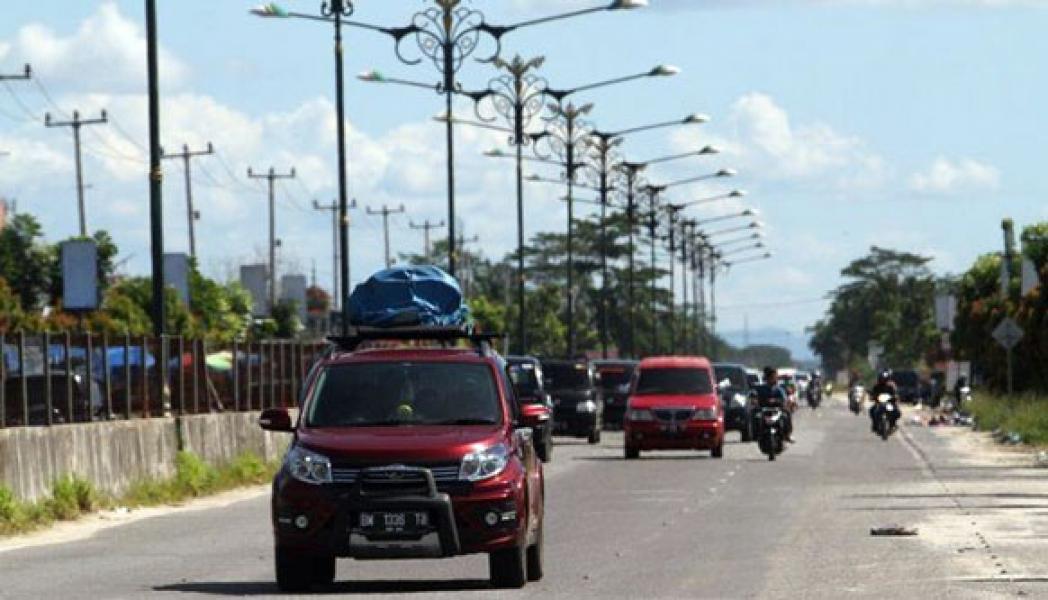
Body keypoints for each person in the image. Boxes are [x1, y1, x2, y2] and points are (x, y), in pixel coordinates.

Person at [755, 366, 794, 442]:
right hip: (764, 410)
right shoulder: (761, 388)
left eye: (775, 377)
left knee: (787, 414)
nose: (775, 379)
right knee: (756, 417)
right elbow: (756, 398)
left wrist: (782, 402)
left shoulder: (779, 389)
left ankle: (787, 434)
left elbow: (785, 399)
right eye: (773, 377)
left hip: (777, 409)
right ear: (767, 378)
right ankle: (758, 435)